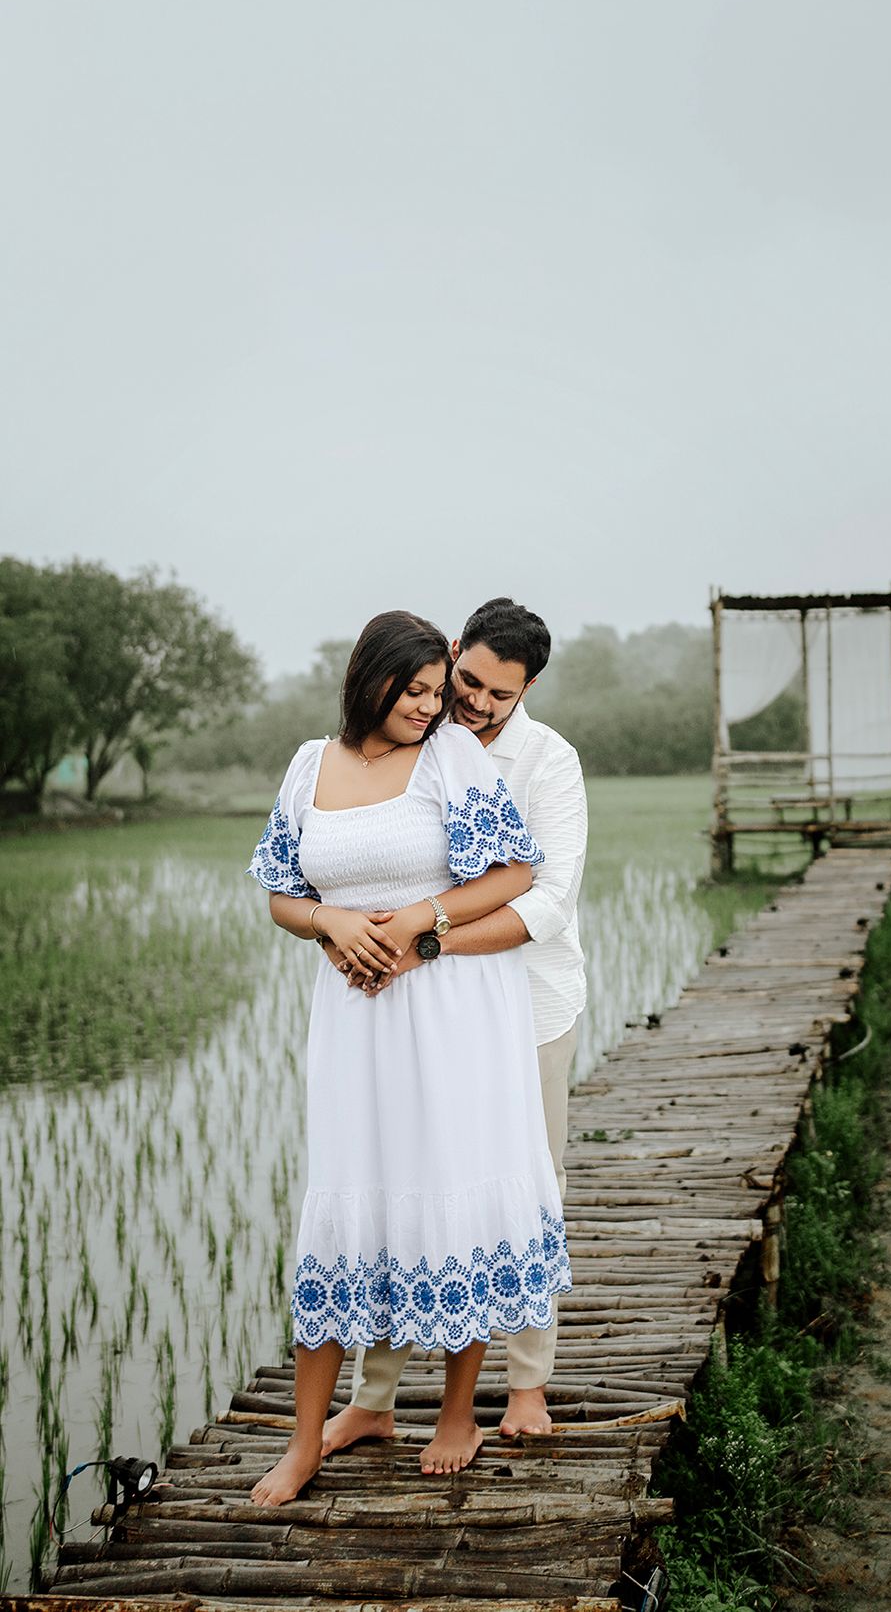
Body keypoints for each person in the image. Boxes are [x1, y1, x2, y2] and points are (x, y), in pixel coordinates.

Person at [246, 609, 570, 1507]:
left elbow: (516, 874)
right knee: (345, 1202)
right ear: (370, 678)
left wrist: (423, 921)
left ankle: (458, 1414)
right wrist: (330, 921)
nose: (433, 707)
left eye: (438, 692)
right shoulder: (309, 766)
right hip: (354, 1018)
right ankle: (308, 1440)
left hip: (450, 1006)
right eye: (418, 691)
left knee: (458, 1184)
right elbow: (281, 892)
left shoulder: (451, 758)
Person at [322, 596, 588, 1449]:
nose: (473, 702)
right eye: (465, 680)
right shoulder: (417, 738)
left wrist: (424, 942)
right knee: (406, 1187)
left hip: (529, 1007)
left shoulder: (548, 761)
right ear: (452, 650)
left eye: (498, 694)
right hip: (420, 1017)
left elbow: (546, 900)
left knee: (525, 1186)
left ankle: (527, 1384)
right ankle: (374, 1396)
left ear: (528, 689)